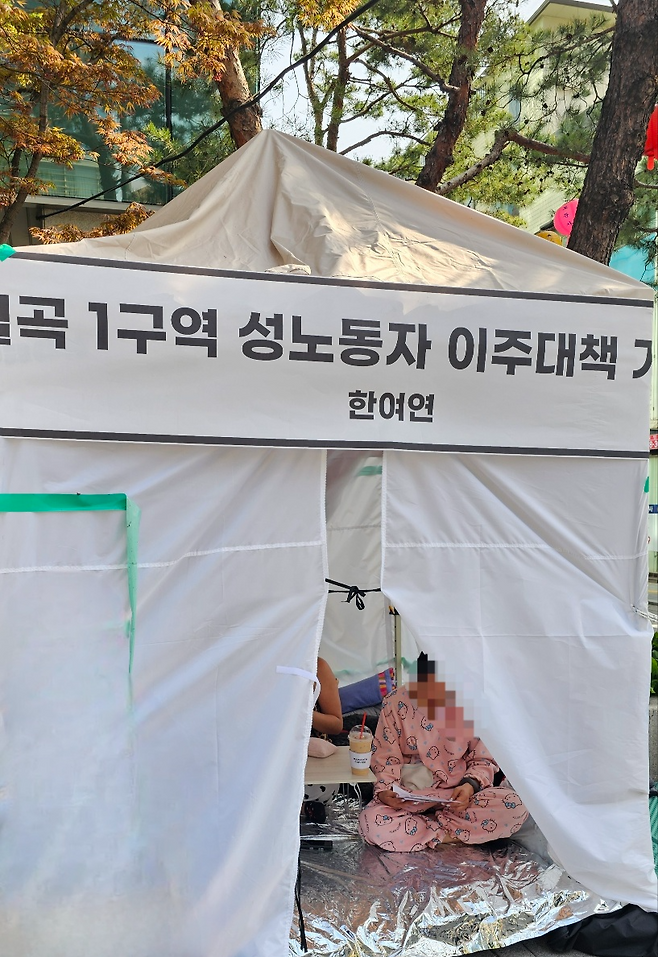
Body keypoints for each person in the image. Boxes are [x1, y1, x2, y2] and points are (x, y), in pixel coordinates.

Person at [359, 653, 528, 851]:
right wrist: (387, 791)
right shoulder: (395, 703)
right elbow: (386, 759)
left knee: (515, 807)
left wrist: (469, 786)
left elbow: (483, 759)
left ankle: (424, 833)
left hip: (458, 800)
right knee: (371, 823)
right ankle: (456, 835)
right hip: (409, 799)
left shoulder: (471, 703)